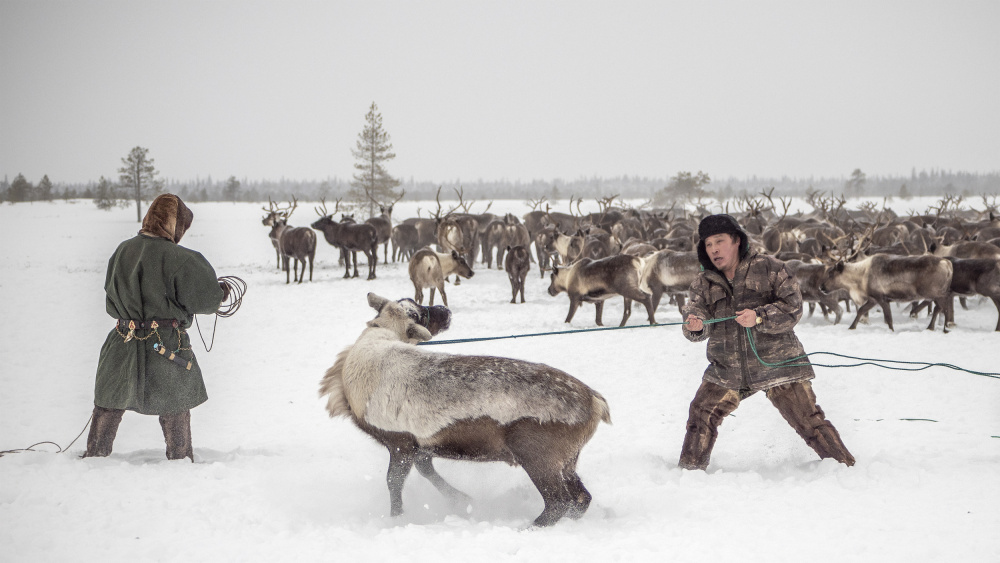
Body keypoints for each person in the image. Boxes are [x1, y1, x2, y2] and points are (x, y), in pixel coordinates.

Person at [678, 213, 855, 470]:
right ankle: (689, 474)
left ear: (737, 240)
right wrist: (694, 324)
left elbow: (793, 308)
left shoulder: (771, 268)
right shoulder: (702, 282)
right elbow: (695, 313)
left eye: (719, 241)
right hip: (728, 368)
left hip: (778, 363)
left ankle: (845, 468)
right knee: (700, 414)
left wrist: (759, 317)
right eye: (708, 244)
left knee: (808, 420)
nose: (714, 249)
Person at [83, 194, 227, 462]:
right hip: (165, 342)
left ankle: (95, 456)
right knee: (176, 405)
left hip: (122, 338)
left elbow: (110, 298)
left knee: (109, 402)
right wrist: (220, 293)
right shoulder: (182, 258)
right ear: (175, 224)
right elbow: (207, 300)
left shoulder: (121, 251)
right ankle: (180, 460)